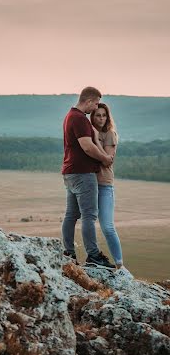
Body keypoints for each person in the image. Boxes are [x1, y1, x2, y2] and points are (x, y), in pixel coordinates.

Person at [61, 86, 115, 268]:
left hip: (70, 172)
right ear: (90, 101)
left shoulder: (70, 116)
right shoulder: (79, 119)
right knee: (89, 216)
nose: (97, 107)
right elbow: (87, 146)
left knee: (71, 215)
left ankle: (68, 253)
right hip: (83, 173)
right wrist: (105, 159)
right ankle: (93, 256)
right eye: (97, 103)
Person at [90, 103, 133, 278]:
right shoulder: (87, 131)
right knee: (86, 222)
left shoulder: (109, 134)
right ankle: (92, 257)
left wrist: (94, 138)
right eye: (97, 115)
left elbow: (107, 160)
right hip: (88, 184)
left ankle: (120, 265)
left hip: (104, 184)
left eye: (104, 115)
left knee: (107, 226)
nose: (101, 118)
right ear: (91, 116)